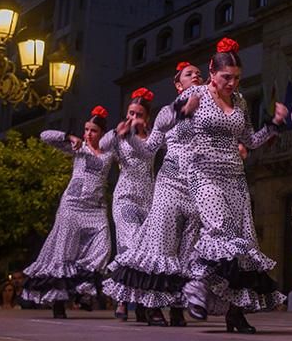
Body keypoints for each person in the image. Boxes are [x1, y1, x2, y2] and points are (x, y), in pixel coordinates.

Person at [172, 37, 286, 332]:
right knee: (218, 229)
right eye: (226, 77)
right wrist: (186, 111)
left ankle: (236, 312)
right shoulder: (194, 94)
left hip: (235, 178)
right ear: (212, 71)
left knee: (244, 245)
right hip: (204, 175)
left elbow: (249, 140)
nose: (232, 83)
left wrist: (273, 126)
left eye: (236, 78)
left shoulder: (240, 101)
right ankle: (195, 288)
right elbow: (178, 131)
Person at [105, 64, 204, 327]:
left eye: (199, 73)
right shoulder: (167, 113)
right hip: (160, 190)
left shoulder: (209, 109)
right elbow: (147, 150)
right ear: (178, 84)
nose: (196, 75)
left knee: (186, 251)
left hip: (194, 189)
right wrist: (123, 136)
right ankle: (149, 303)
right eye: (189, 74)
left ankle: (176, 306)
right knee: (159, 249)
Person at [21, 106, 115, 319]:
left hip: (97, 208)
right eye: (86, 129)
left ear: (101, 133)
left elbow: (120, 138)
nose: (88, 134)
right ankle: (59, 302)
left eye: (93, 130)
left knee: (103, 249)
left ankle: (82, 290)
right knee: (64, 253)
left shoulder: (109, 151)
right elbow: (45, 136)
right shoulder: (77, 147)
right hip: (72, 206)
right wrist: (69, 136)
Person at [101, 87, 158, 322]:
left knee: (145, 252)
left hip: (149, 201)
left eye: (138, 114)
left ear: (147, 118)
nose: (133, 118)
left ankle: (141, 301)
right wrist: (117, 132)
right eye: (130, 113)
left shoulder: (154, 137)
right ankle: (122, 299)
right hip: (125, 198)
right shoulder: (119, 136)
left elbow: (153, 152)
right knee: (129, 247)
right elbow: (102, 146)